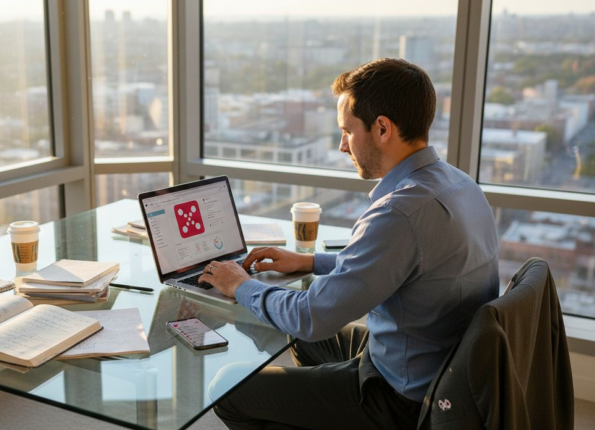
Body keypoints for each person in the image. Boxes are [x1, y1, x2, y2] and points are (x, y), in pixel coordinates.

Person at [198, 58, 500, 430]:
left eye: (347, 131)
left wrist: (241, 285)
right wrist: (308, 262)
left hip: (401, 398)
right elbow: (398, 264)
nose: (343, 146)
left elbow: (312, 317)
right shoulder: (459, 184)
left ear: (382, 128)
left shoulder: (398, 213)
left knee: (228, 388)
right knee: (296, 334)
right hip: (430, 361)